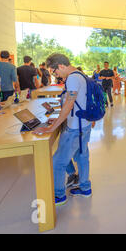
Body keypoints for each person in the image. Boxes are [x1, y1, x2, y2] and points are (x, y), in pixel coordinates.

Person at [33, 53, 94, 206]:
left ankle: (59, 196)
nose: (56, 75)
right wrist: (59, 118)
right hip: (84, 124)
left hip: (74, 128)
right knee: (82, 157)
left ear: (60, 66)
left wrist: (52, 127)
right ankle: (85, 188)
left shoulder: (73, 78)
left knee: (58, 162)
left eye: (54, 71)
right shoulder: (81, 75)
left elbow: (69, 104)